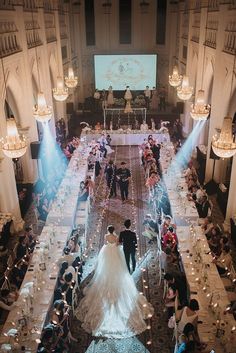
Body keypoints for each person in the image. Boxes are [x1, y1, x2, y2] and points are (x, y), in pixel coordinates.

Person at [75, 225, 153, 338]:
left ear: (108, 231)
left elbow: (106, 244)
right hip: (115, 253)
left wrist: (109, 246)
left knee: (105, 270)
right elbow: (117, 244)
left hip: (107, 253)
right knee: (119, 270)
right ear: (113, 231)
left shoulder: (106, 236)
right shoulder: (116, 236)